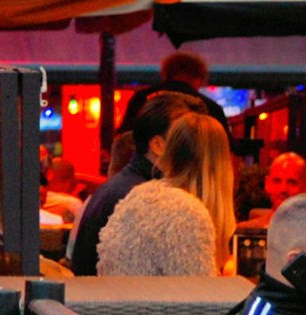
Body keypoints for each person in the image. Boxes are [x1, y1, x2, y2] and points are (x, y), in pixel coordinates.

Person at [92, 111, 240, 277]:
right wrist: (227, 279)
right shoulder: (186, 213)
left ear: (170, 152)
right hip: (144, 303)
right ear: (222, 166)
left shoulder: (141, 194)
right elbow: (197, 298)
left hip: (117, 301)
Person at [66, 94, 188, 277]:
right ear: (157, 145)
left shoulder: (126, 185)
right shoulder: (145, 197)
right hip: (115, 302)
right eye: (182, 137)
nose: (192, 147)